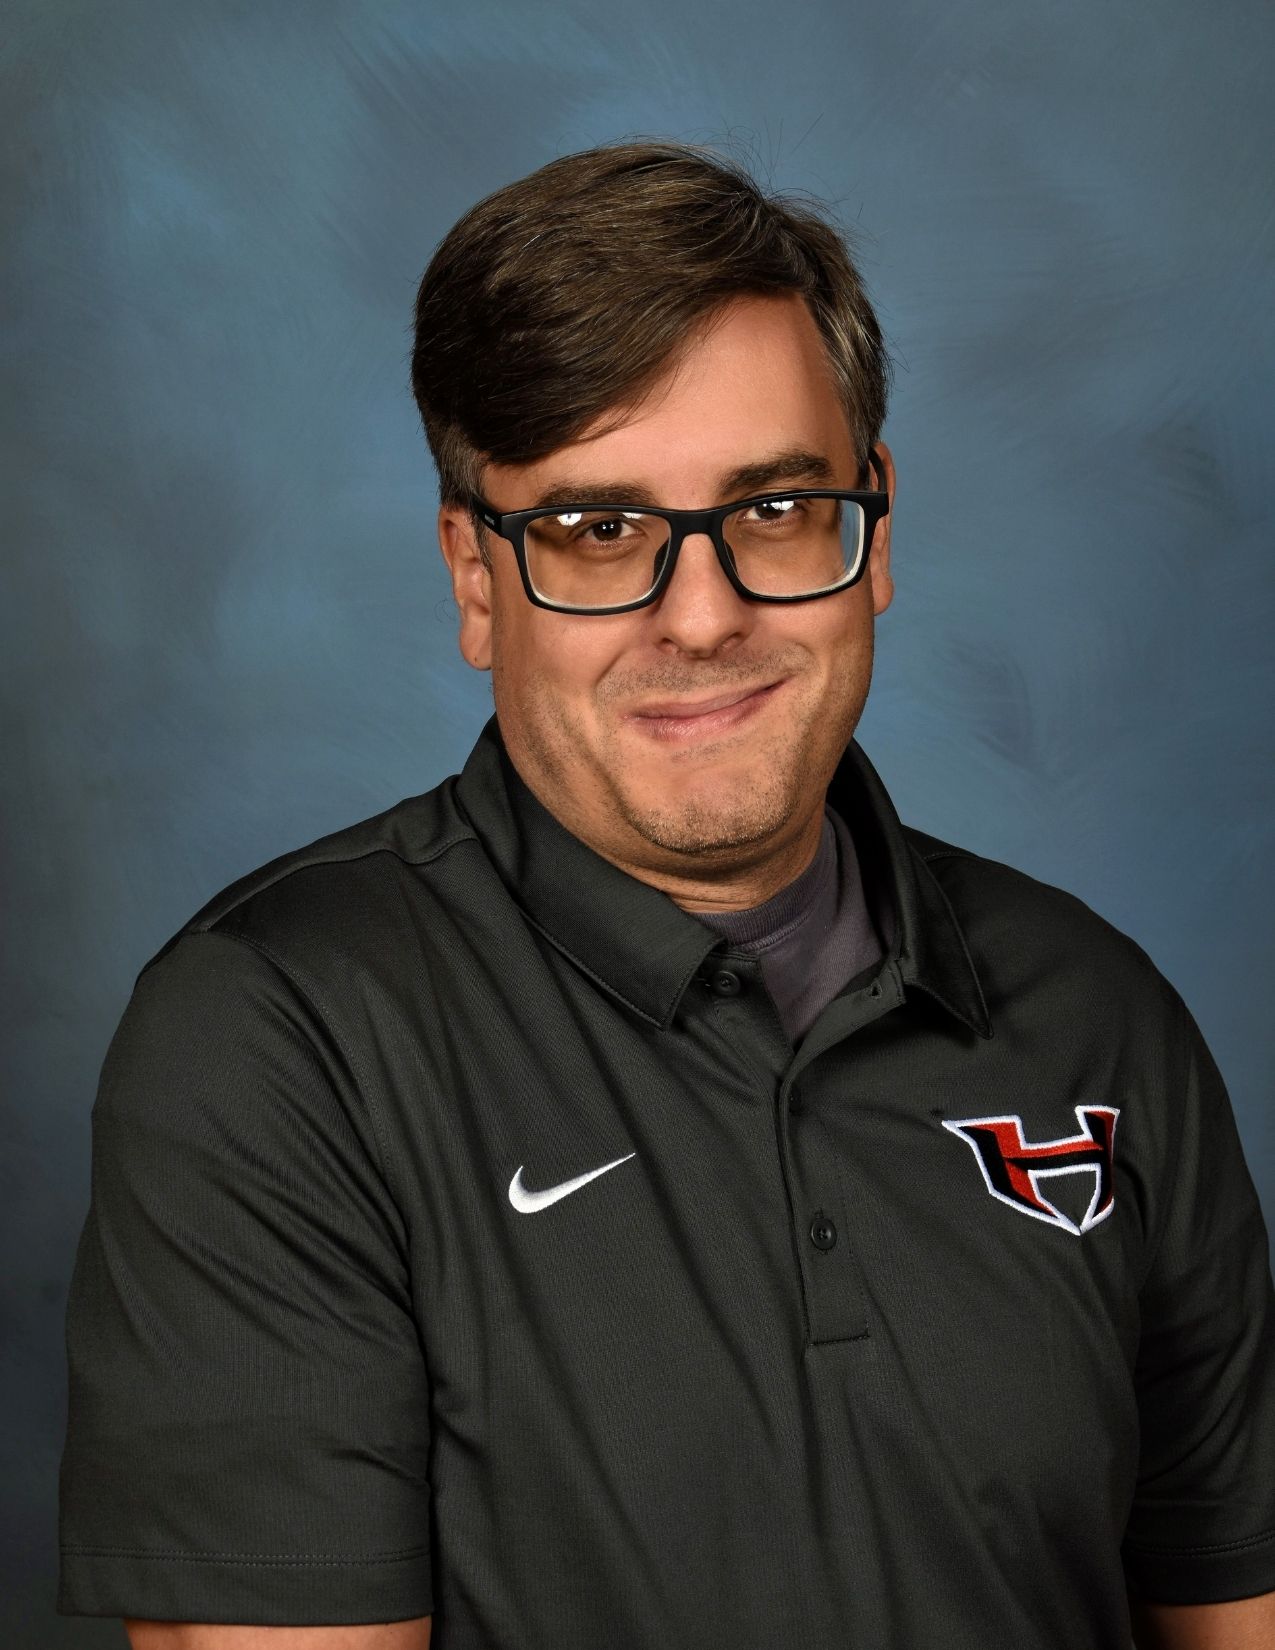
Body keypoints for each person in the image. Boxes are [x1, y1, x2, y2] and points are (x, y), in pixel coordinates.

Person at [57, 141, 1275, 1650]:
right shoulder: (281, 1041)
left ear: (874, 529)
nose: (703, 615)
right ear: (476, 576)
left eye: (775, 509)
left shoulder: (1098, 1013)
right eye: (597, 531)